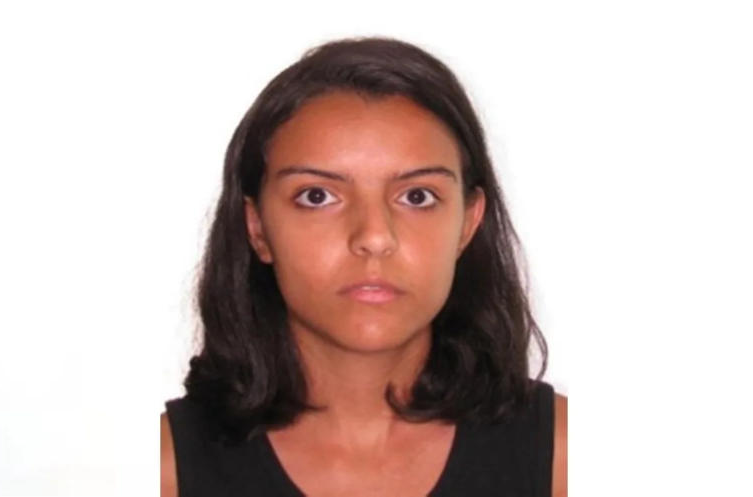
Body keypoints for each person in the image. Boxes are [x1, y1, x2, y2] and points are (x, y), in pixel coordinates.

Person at [160, 36, 567, 497]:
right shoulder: (166, 468)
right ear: (258, 228)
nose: (374, 237)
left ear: (467, 223)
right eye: (317, 196)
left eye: (417, 196)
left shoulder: (564, 459)